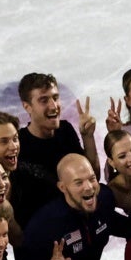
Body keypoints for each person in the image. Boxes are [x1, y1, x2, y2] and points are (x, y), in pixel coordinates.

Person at [17, 72, 99, 210]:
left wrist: (88, 137)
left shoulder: (65, 130)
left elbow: (93, 177)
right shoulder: (19, 144)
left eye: (55, 98)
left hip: (75, 210)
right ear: (27, 107)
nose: (54, 106)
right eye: (44, 100)